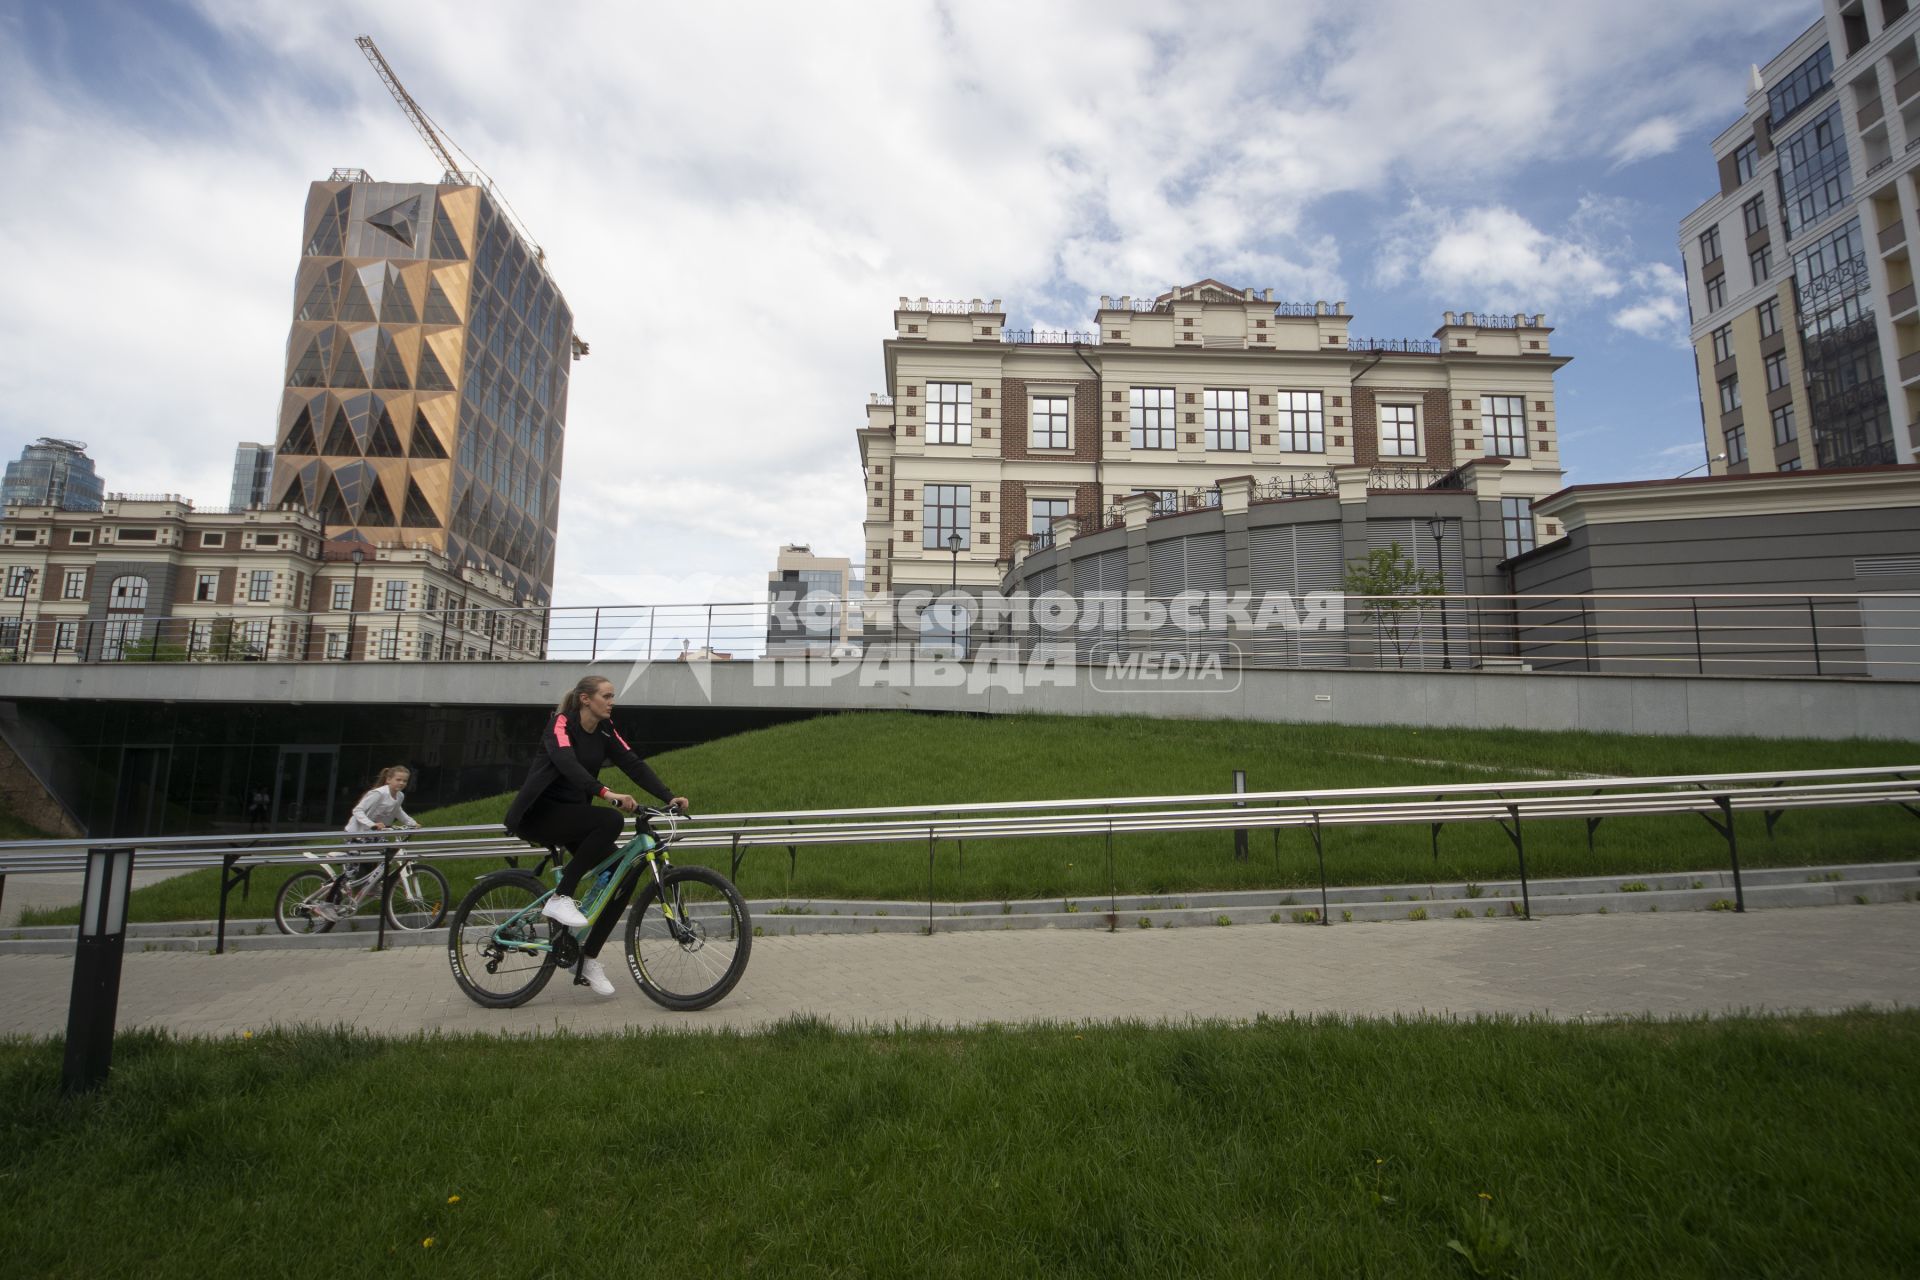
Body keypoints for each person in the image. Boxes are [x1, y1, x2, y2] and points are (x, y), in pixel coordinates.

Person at [503, 675, 688, 997]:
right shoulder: (561, 723)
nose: (611, 701)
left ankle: (586, 958)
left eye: (613, 695)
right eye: (606, 695)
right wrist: (606, 793)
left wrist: (668, 796)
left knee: (620, 879)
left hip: (574, 818)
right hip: (538, 814)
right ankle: (561, 898)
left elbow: (633, 763)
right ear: (585, 699)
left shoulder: (605, 730)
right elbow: (566, 762)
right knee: (610, 820)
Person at [340, 765, 418, 878]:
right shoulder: (379, 793)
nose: (401, 783)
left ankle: (375, 883)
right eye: (398, 780)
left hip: (374, 834)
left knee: (386, 857)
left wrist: (412, 823)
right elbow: (358, 810)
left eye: (405, 781)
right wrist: (372, 824)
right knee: (354, 867)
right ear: (388, 780)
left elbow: (398, 811)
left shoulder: (400, 796)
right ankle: (347, 884)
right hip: (357, 833)